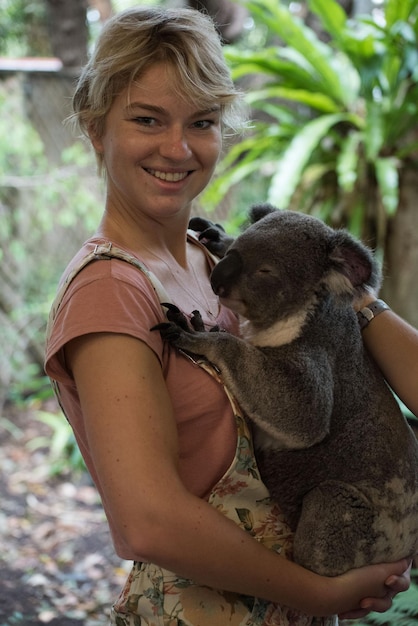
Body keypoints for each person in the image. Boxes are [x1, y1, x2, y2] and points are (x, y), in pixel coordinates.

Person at [44, 6, 414, 625]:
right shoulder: (110, 293)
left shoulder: (212, 256)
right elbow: (148, 521)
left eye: (203, 121)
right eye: (147, 119)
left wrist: (343, 286)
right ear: (95, 129)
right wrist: (319, 593)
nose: (178, 147)